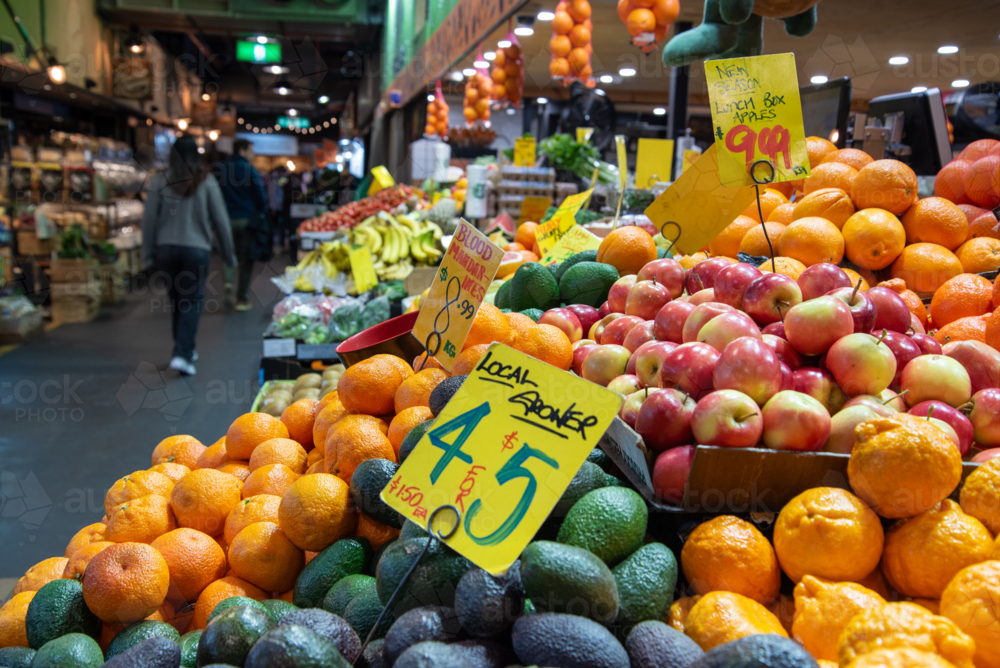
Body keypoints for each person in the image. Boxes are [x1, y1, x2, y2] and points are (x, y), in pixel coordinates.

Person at [142, 135, 236, 376]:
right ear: (198, 154)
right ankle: (183, 354)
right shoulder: (207, 181)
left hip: (166, 250)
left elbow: (149, 221)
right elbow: (221, 221)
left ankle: (184, 349)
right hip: (197, 251)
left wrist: (147, 256)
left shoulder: (159, 180)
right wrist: (229, 255)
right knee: (191, 302)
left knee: (177, 302)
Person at [217, 138, 268, 310]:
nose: (252, 154)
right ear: (242, 151)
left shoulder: (220, 169)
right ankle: (242, 298)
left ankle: (228, 286)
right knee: (247, 258)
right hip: (247, 219)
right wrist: (261, 212)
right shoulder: (250, 170)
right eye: (250, 151)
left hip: (225, 219)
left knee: (229, 255)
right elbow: (260, 197)